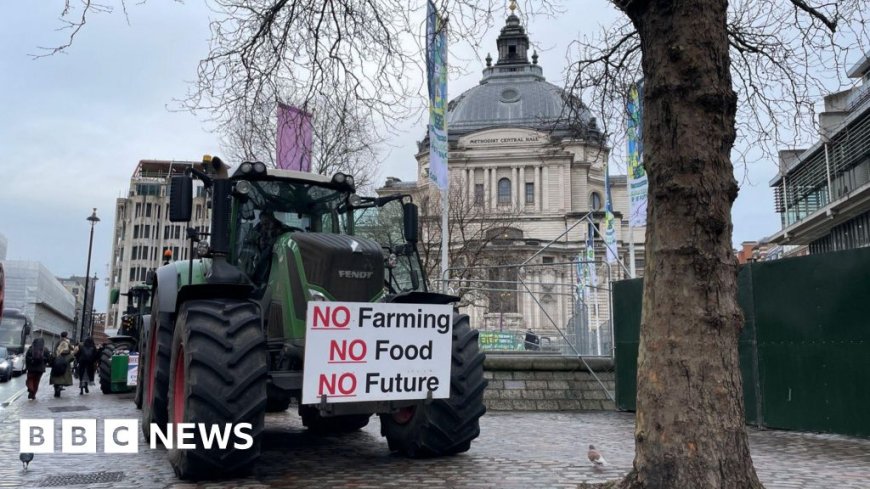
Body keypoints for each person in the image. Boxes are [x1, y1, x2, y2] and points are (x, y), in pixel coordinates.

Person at [50, 332, 74, 398]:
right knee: (64, 373)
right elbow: (72, 349)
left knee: (56, 373)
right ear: (66, 336)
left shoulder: (59, 342)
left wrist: (55, 357)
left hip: (58, 359)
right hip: (65, 360)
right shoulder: (67, 342)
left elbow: (54, 350)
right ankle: (60, 385)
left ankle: (56, 387)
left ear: (61, 336)